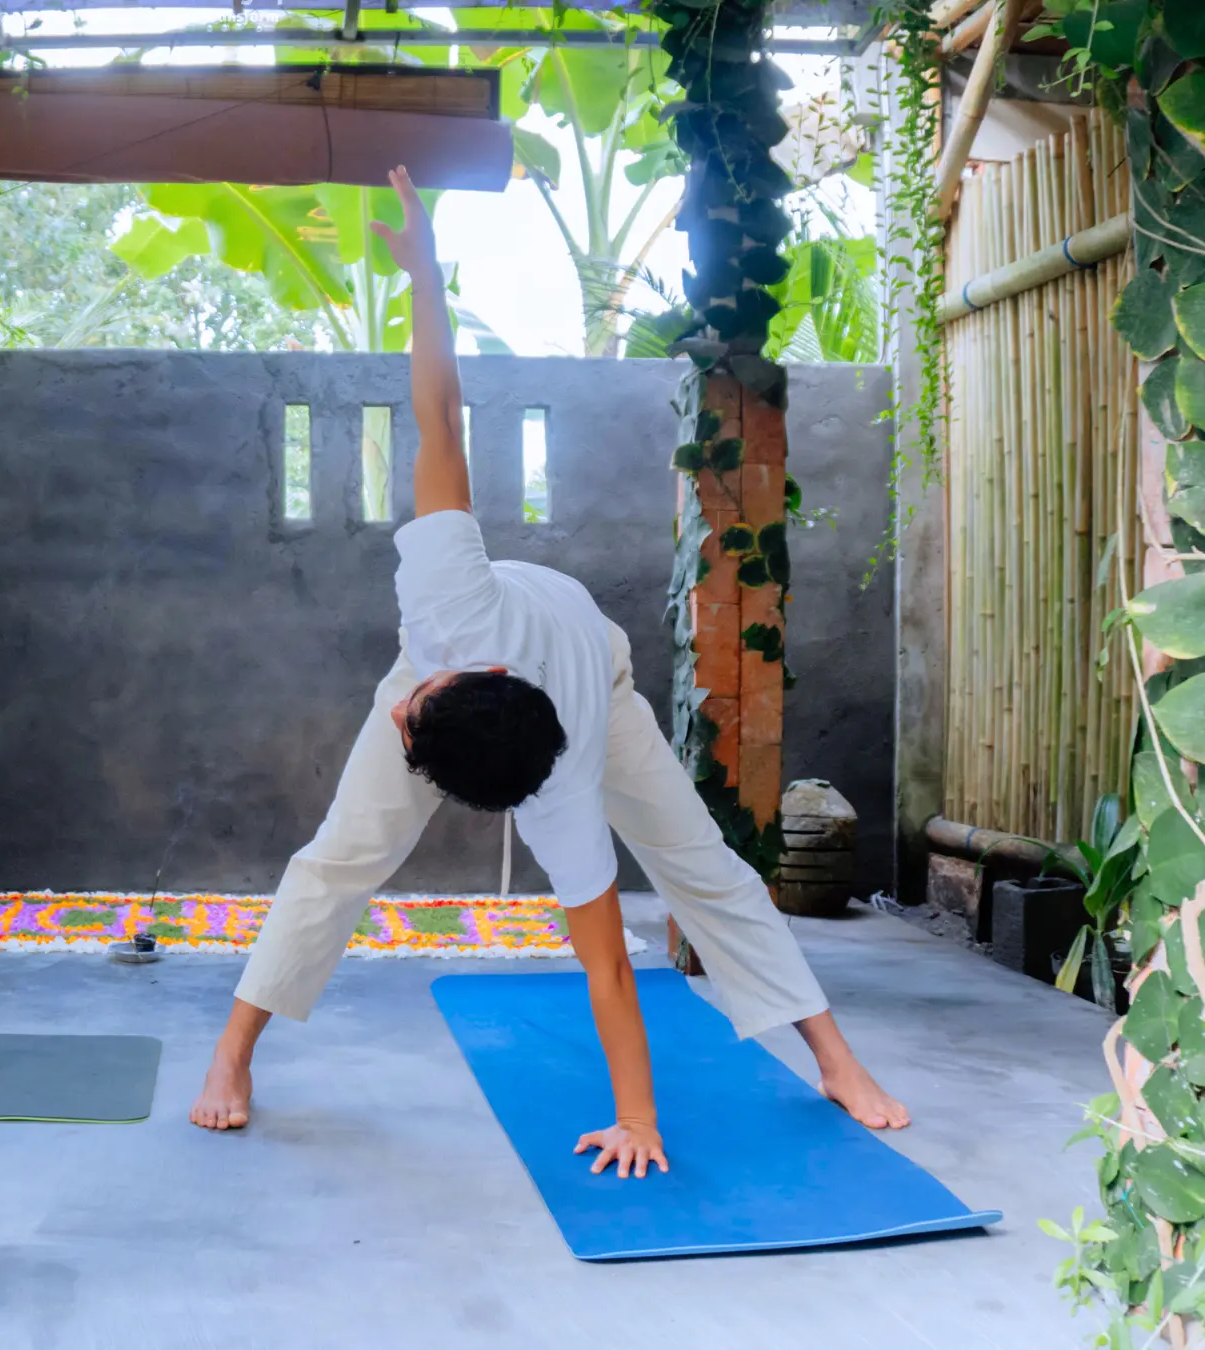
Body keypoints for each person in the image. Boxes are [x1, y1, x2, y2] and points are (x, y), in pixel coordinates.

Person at [187, 168, 907, 1169]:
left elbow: (605, 964)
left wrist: (639, 1122)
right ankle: (233, 1054)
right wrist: (424, 274)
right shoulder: (447, 599)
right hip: (501, 663)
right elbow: (441, 411)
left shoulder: (560, 791)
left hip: (594, 684)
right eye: (412, 718)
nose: (392, 715)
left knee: (702, 865)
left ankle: (832, 1056)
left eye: (408, 714)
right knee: (337, 860)